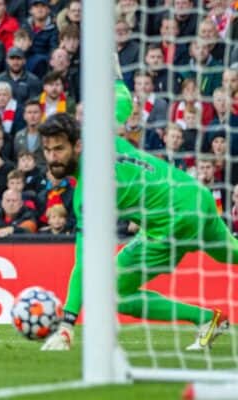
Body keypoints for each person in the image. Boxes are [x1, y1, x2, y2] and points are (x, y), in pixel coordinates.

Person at [40, 110, 234, 352]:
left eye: (59, 149)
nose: (52, 158)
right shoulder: (102, 137)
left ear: (77, 145)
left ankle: (206, 318)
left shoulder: (90, 190)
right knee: (231, 253)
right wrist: (117, 76)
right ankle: (209, 319)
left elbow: (84, 262)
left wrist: (67, 324)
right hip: (194, 193)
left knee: (111, 291)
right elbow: (120, 99)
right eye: (47, 151)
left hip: (174, 223)